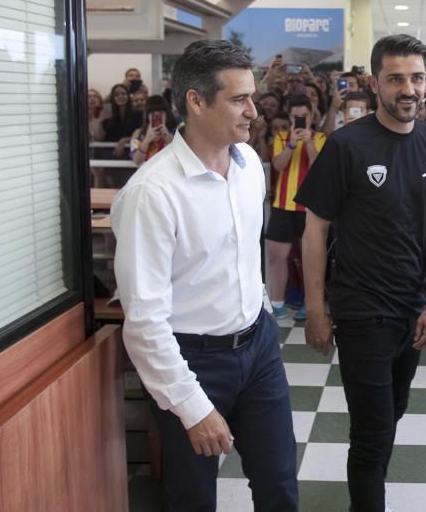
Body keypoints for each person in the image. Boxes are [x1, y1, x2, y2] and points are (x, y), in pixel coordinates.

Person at [111, 39, 298, 511]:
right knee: (193, 498)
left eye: (252, 97)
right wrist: (191, 407)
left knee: (279, 484)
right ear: (195, 101)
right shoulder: (152, 193)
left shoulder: (250, 165)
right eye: (238, 99)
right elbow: (144, 320)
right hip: (192, 358)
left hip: (257, 348)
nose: (253, 111)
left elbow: (242, 256)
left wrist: (259, 317)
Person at [296, 34, 426, 512]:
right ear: (375, 82)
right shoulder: (346, 145)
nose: (409, 89)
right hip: (362, 310)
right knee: (372, 432)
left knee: (393, 415)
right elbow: (314, 232)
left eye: (417, 78)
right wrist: (317, 310)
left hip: (412, 309)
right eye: (396, 79)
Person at [266, 95, 326, 319]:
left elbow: (318, 167)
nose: (300, 120)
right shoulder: (281, 137)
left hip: (309, 207)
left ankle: (309, 303)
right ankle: (278, 302)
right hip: (282, 204)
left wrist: (308, 142)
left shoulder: (320, 138)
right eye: (295, 117)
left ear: (312, 116)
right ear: (289, 117)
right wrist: (292, 143)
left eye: (304, 116)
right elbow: (279, 165)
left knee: (309, 257)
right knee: (275, 255)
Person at [129, 94, 177, 166]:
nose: (156, 116)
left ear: (167, 114)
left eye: (160, 113)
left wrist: (168, 138)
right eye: (152, 113)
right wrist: (146, 140)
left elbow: (181, 158)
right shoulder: (137, 134)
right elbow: (136, 161)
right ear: (147, 115)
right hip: (145, 175)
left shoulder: (177, 132)